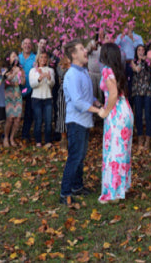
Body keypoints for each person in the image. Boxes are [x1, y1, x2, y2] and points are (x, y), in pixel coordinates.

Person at [91, 43, 134, 204]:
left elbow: (113, 94)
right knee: (122, 151)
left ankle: (113, 193)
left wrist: (105, 111)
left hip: (116, 113)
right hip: (125, 111)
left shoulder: (107, 70)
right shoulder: (118, 71)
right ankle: (122, 187)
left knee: (114, 152)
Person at [60, 40, 97, 206]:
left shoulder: (83, 72)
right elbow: (77, 101)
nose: (85, 51)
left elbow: (87, 96)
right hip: (75, 122)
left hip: (85, 121)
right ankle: (65, 193)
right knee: (74, 157)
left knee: (81, 156)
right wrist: (98, 111)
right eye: (82, 49)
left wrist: (98, 103)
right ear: (73, 55)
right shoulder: (72, 74)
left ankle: (77, 186)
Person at [29, 51, 55, 147]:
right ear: (38, 59)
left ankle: (48, 140)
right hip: (36, 98)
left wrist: (48, 78)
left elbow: (52, 84)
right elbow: (32, 85)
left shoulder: (50, 70)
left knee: (48, 120)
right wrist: (39, 78)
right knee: (38, 120)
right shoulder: (33, 71)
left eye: (45, 57)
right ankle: (38, 141)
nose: (43, 59)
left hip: (47, 97)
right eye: (41, 57)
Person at [131, 45, 151, 151]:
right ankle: (140, 137)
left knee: (148, 115)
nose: (141, 51)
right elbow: (137, 70)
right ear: (136, 52)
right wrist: (140, 61)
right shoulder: (133, 62)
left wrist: (146, 59)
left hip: (148, 90)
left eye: (143, 50)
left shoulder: (148, 61)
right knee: (138, 114)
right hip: (137, 91)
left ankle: (148, 139)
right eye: (139, 50)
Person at [3, 51, 25, 147]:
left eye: (16, 56)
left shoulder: (20, 69)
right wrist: (13, 74)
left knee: (17, 119)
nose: (15, 58)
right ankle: (6, 138)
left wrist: (22, 76)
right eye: (13, 56)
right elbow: (5, 82)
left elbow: (23, 83)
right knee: (10, 118)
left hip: (17, 95)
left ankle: (12, 138)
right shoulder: (5, 69)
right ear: (9, 59)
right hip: (8, 95)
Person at [19, 38, 36, 142]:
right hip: (18, 89)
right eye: (25, 43)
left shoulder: (35, 58)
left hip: (30, 89)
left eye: (29, 43)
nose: (27, 45)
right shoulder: (17, 57)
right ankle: (10, 134)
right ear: (22, 46)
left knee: (29, 113)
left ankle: (25, 134)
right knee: (14, 113)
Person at [55, 54, 71, 149]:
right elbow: (62, 75)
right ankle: (63, 138)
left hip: (73, 92)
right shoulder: (60, 66)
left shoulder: (75, 64)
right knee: (62, 114)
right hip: (63, 92)